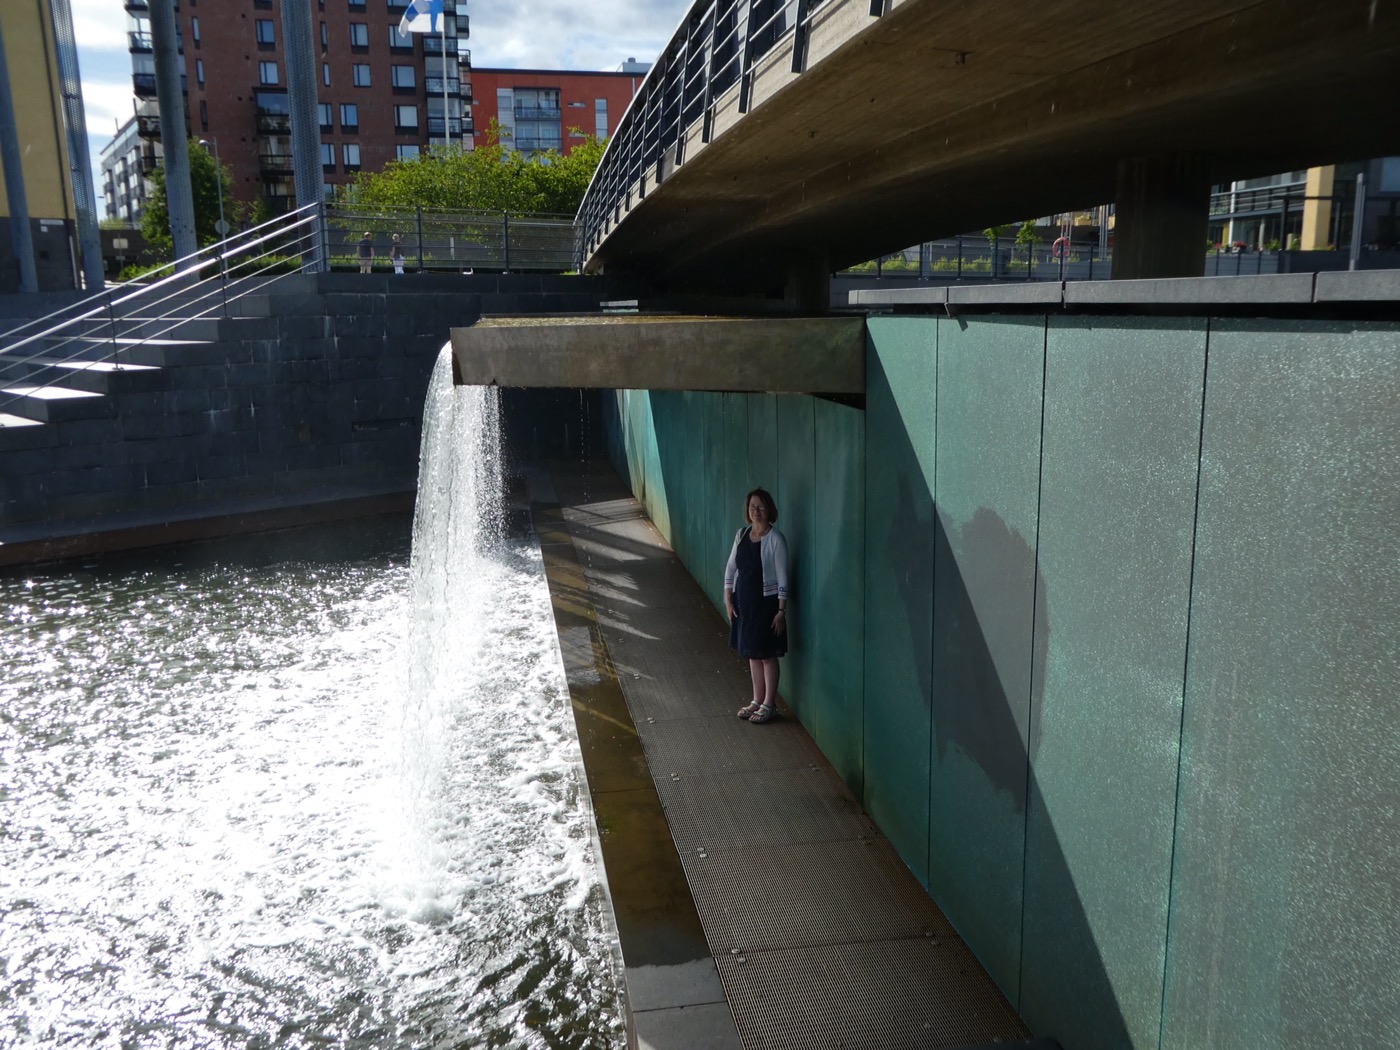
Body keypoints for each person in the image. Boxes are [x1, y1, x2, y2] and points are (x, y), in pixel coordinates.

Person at [724, 487, 790, 724]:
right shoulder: (741, 535)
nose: (756, 511)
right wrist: (729, 599)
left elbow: (783, 577)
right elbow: (731, 568)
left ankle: (769, 704)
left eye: (761, 507)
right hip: (745, 606)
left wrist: (781, 611)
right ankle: (757, 700)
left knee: (767, 655)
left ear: (769, 509)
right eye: (753, 507)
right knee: (752, 654)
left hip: (767, 607)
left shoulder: (776, 539)